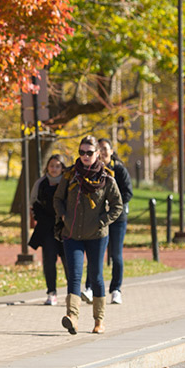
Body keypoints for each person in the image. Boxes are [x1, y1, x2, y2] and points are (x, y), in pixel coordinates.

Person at [53, 136, 123, 335]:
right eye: (81, 152)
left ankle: (99, 320)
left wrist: (102, 221)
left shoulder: (106, 178)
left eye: (89, 153)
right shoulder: (70, 175)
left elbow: (117, 206)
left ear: (97, 154)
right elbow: (57, 199)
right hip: (72, 233)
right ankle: (72, 317)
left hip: (97, 235)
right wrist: (64, 215)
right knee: (74, 276)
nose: (84, 156)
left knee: (96, 276)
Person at [80, 139, 132, 305]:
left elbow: (127, 193)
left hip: (116, 219)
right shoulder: (93, 170)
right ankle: (89, 288)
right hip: (97, 220)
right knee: (95, 256)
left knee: (116, 255)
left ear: (111, 150)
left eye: (105, 149)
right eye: (99, 149)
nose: (102, 152)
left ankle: (116, 289)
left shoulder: (119, 169)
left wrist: (111, 205)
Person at [28, 154, 67, 306]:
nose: (54, 169)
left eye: (58, 166)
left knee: (68, 260)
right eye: (52, 165)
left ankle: (73, 292)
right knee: (49, 260)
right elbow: (33, 202)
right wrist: (39, 216)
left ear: (62, 168)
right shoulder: (41, 183)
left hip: (64, 227)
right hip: (47, 227)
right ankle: (51, 292)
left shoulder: (67, 182)